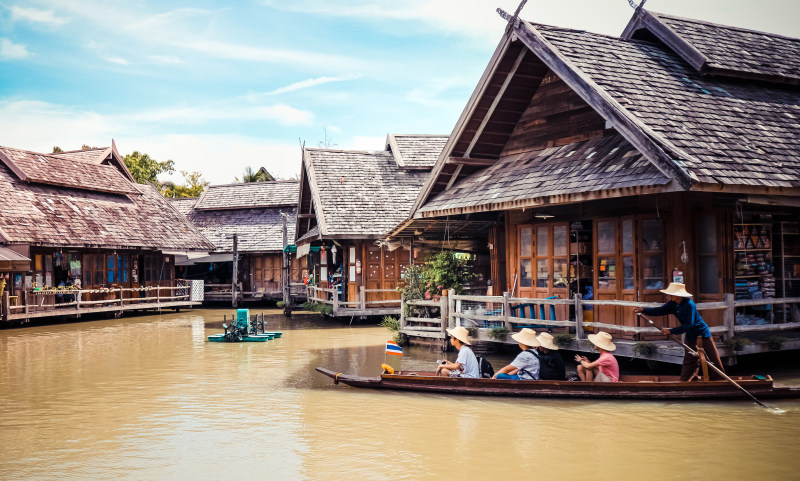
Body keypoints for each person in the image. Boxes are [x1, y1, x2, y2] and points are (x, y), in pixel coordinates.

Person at [633, 282, 724, 381]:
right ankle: (686, 381)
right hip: (690, 335)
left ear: (678, 295)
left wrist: (671, 331)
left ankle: (719, 380)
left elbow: (689, 324)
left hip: (702, 334)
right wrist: (643, 310)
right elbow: (660, 310)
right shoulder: (673, 304)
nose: (669, 296)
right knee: (690, 360)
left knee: (712, 359)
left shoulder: (690, 305)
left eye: (671, 294)